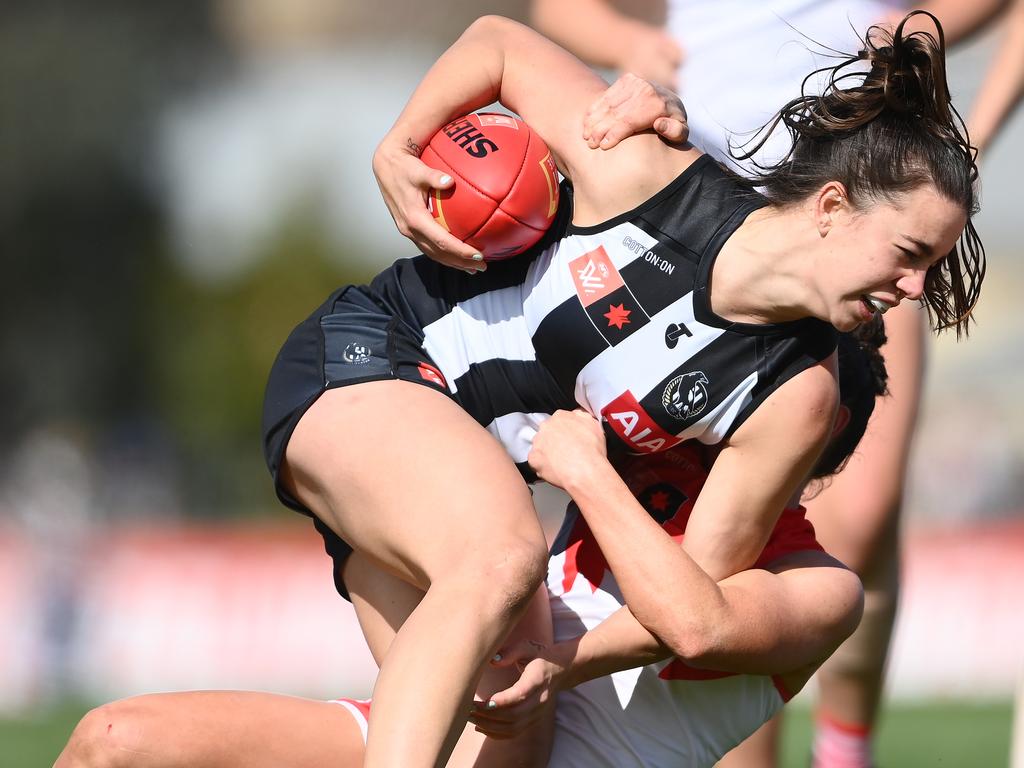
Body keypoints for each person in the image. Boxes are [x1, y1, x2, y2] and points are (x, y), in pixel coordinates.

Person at [257, 12, 980, 767]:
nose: (914, 289)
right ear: (831, 207)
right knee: (501, 559)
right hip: (371, 356)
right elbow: (499, 44)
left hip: (458, 477)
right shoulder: (649, 173)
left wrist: (558, 665)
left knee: (510, 744)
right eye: (909, 253)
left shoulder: (797, 399)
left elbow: (690, 601)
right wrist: (399, 145)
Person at [532, 2, 1019, 765]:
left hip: (869, 222)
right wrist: (637, 46)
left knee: (854, 521)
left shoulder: (898, 252)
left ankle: (843, 749)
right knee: (721, 551)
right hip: (711, 217)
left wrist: (960, 138)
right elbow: (546, 15)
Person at [55, 325, 888, 768]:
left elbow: (693, 623)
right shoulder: (632, 462)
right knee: (115, 743)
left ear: (816, 423)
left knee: (503, 565)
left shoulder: (822, 590)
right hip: (452, 737)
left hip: (518, 744)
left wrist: (586, 478)